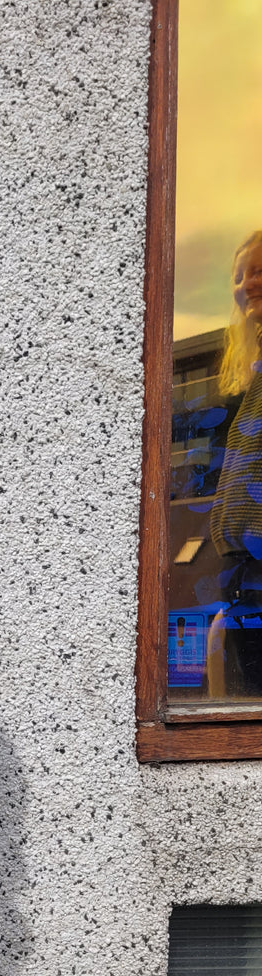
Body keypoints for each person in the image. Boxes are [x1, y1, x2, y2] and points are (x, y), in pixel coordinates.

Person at [207, 230, 262, 697]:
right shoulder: (251, 369)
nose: (247, 283)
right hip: (242, 567)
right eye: (241, 274)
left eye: (260, 270)